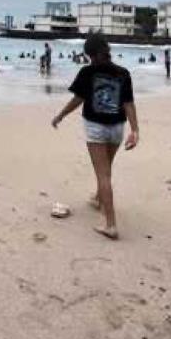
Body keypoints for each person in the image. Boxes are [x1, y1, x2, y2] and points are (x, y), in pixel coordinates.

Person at [52, 35, 139, 240]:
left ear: (89, 54)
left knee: (103, 175)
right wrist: (135, 130)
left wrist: (61, 115)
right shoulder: (123, 73)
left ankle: (111, 225)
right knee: (106, 168)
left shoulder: (87, 72)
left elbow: (78, 99)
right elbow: (128, 104)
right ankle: (99, 198)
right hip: (117, 127)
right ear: (107, 50)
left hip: (96, 128)